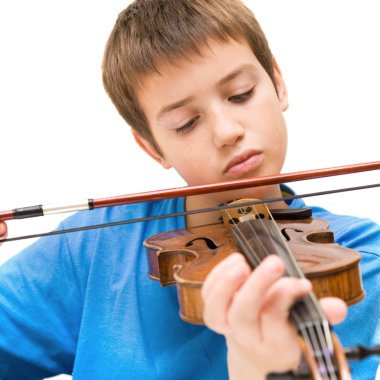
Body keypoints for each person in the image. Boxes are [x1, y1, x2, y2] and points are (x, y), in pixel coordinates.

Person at [0, 0, 379, 379]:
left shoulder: (358, 259)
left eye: (241, 94)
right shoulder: (92, 246)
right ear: (152, 146)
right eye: (186, 123)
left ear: (277, 82)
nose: (227, 132)